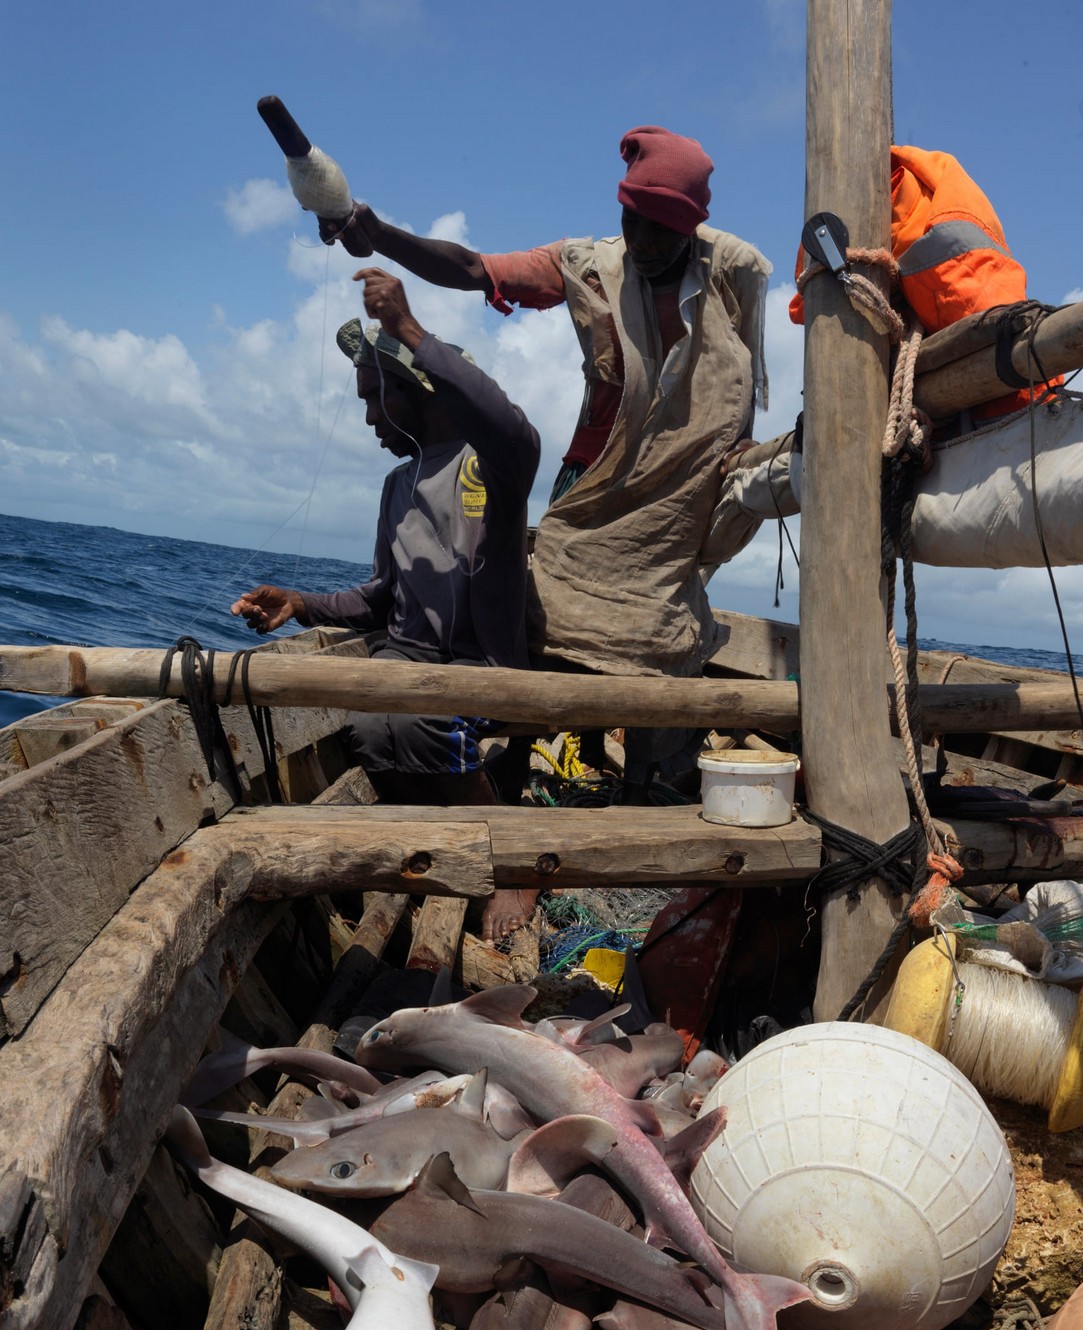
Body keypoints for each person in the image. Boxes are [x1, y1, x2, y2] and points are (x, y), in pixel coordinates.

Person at [320, 126, 772, 793]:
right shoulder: (592, 265)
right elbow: (477, 269)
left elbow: (740, 386)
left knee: (660, 629)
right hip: (590, 483)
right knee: (546, 628)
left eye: (661, 233)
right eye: (632, 223)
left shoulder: (733, 273)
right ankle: (533, 782)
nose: (642, 244)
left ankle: (644, 776)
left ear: (691, 230)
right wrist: (379, 233)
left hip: (678, 490)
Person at [231, 268, 540, 941]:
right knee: (369, 722)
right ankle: (420, 843)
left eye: (377, 399)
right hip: (408, 664)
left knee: (419, 716)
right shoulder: (397, 486)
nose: (370, 416)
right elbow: (379, 597)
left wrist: (407, 329)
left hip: (478, 671)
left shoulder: (489, 465)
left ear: (417, 395)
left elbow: (516, 432)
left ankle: (510, 862)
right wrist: (302, 603)